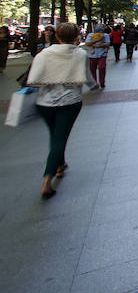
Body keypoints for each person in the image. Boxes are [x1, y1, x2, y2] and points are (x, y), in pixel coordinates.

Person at [27, 22, 88, 199]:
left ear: (57, 36)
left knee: (55, 135)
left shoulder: (44, 54)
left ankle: (60, 165)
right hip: (70, 102)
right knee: (59, 138)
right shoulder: (80, 54)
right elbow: (86, 77)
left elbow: (33, 79)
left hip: (44, 103)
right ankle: (47, 180)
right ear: (77, 36)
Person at [84, 24, 110, 89]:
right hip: (92, 55)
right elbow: (87, 43)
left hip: (102, 54)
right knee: (92, 69)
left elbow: (108, 43)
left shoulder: (105, 35)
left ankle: (102, 82)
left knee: (102, 67)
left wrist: (98, 45)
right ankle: (94, 83)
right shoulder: (90, 35)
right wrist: (98, 40)